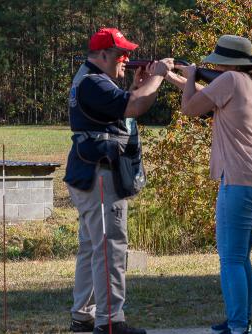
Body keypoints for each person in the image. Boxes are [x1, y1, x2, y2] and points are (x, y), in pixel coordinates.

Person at [166, 35, 252, 334]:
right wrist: (171, 76)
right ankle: (241, 321)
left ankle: (239, 326)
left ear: (225, 62)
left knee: (230, 259)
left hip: (241, 181)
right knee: (240, 257)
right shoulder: (250, 85)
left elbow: (190, 108)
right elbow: (205, 96)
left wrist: (190, 76)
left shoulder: (228, 79)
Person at [65, 27, 171, 334]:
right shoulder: (94, 83)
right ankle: (110, 322)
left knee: (92, 246)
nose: (126, 59)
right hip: (100, 173)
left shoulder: (92, 80)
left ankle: (83, 315)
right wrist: (159, 75)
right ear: (101, 55)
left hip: (92, 170)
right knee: (111, 246)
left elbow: (128, 106)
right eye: (120, 54)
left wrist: (139, 87)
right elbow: (134, 106)